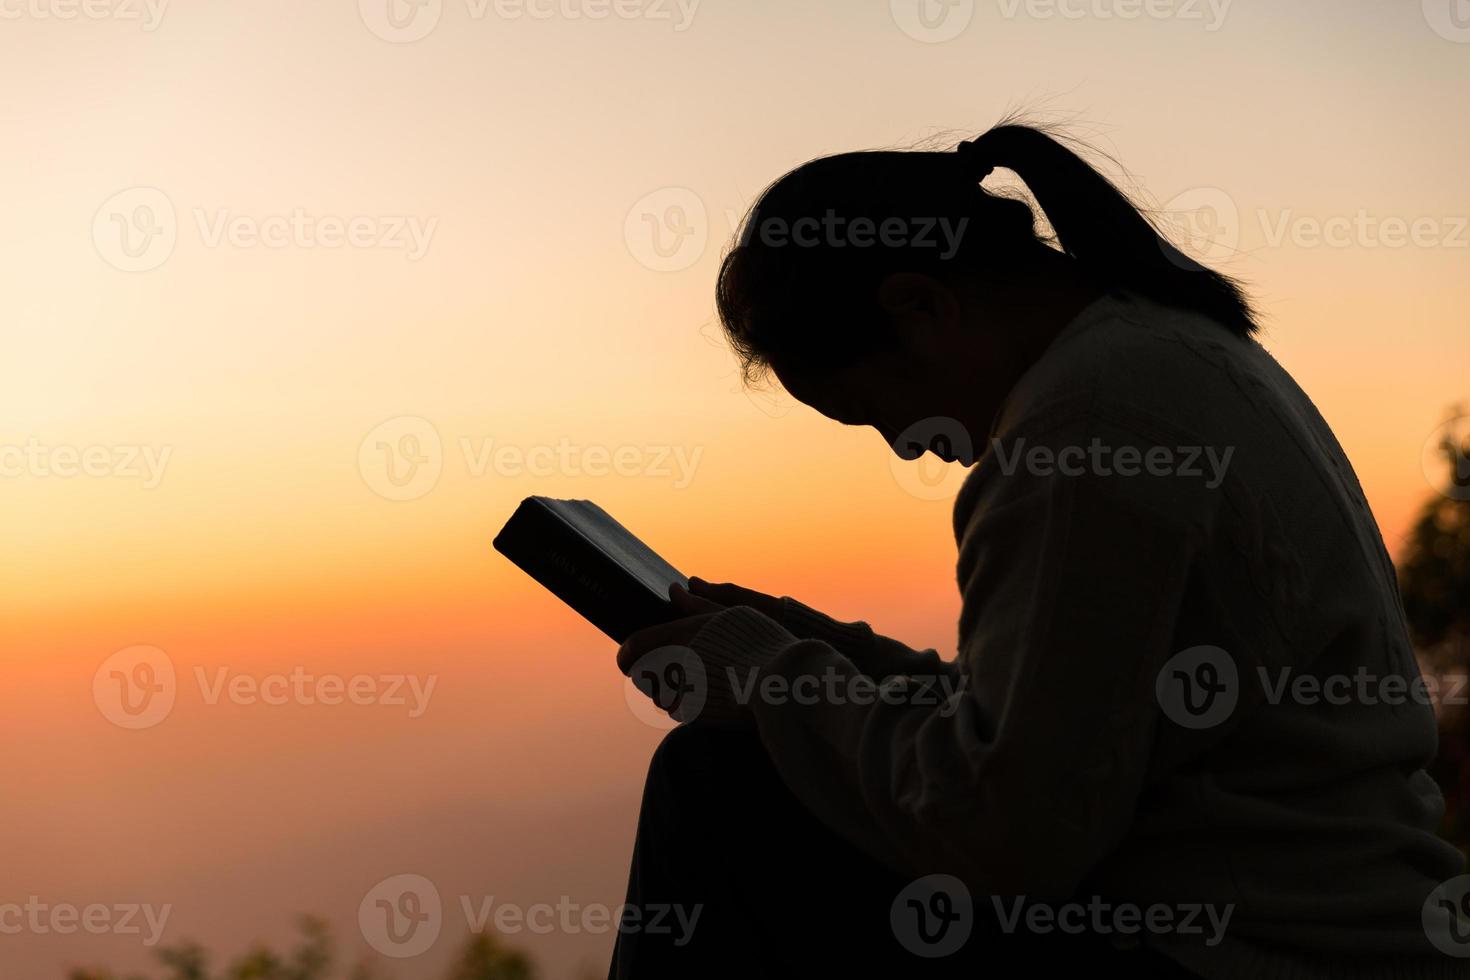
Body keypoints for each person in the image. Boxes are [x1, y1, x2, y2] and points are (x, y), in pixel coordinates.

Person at [608, 122, 1468, 979]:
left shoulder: (1081, 430)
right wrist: (817, 652)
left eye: (877, 413)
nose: (906, 448)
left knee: (720, 784)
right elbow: (1058, 723)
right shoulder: (1166, 352)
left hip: (1248, 951)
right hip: (1345, 924)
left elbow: (1004, 832)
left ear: (922, 307)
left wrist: (772, 682)